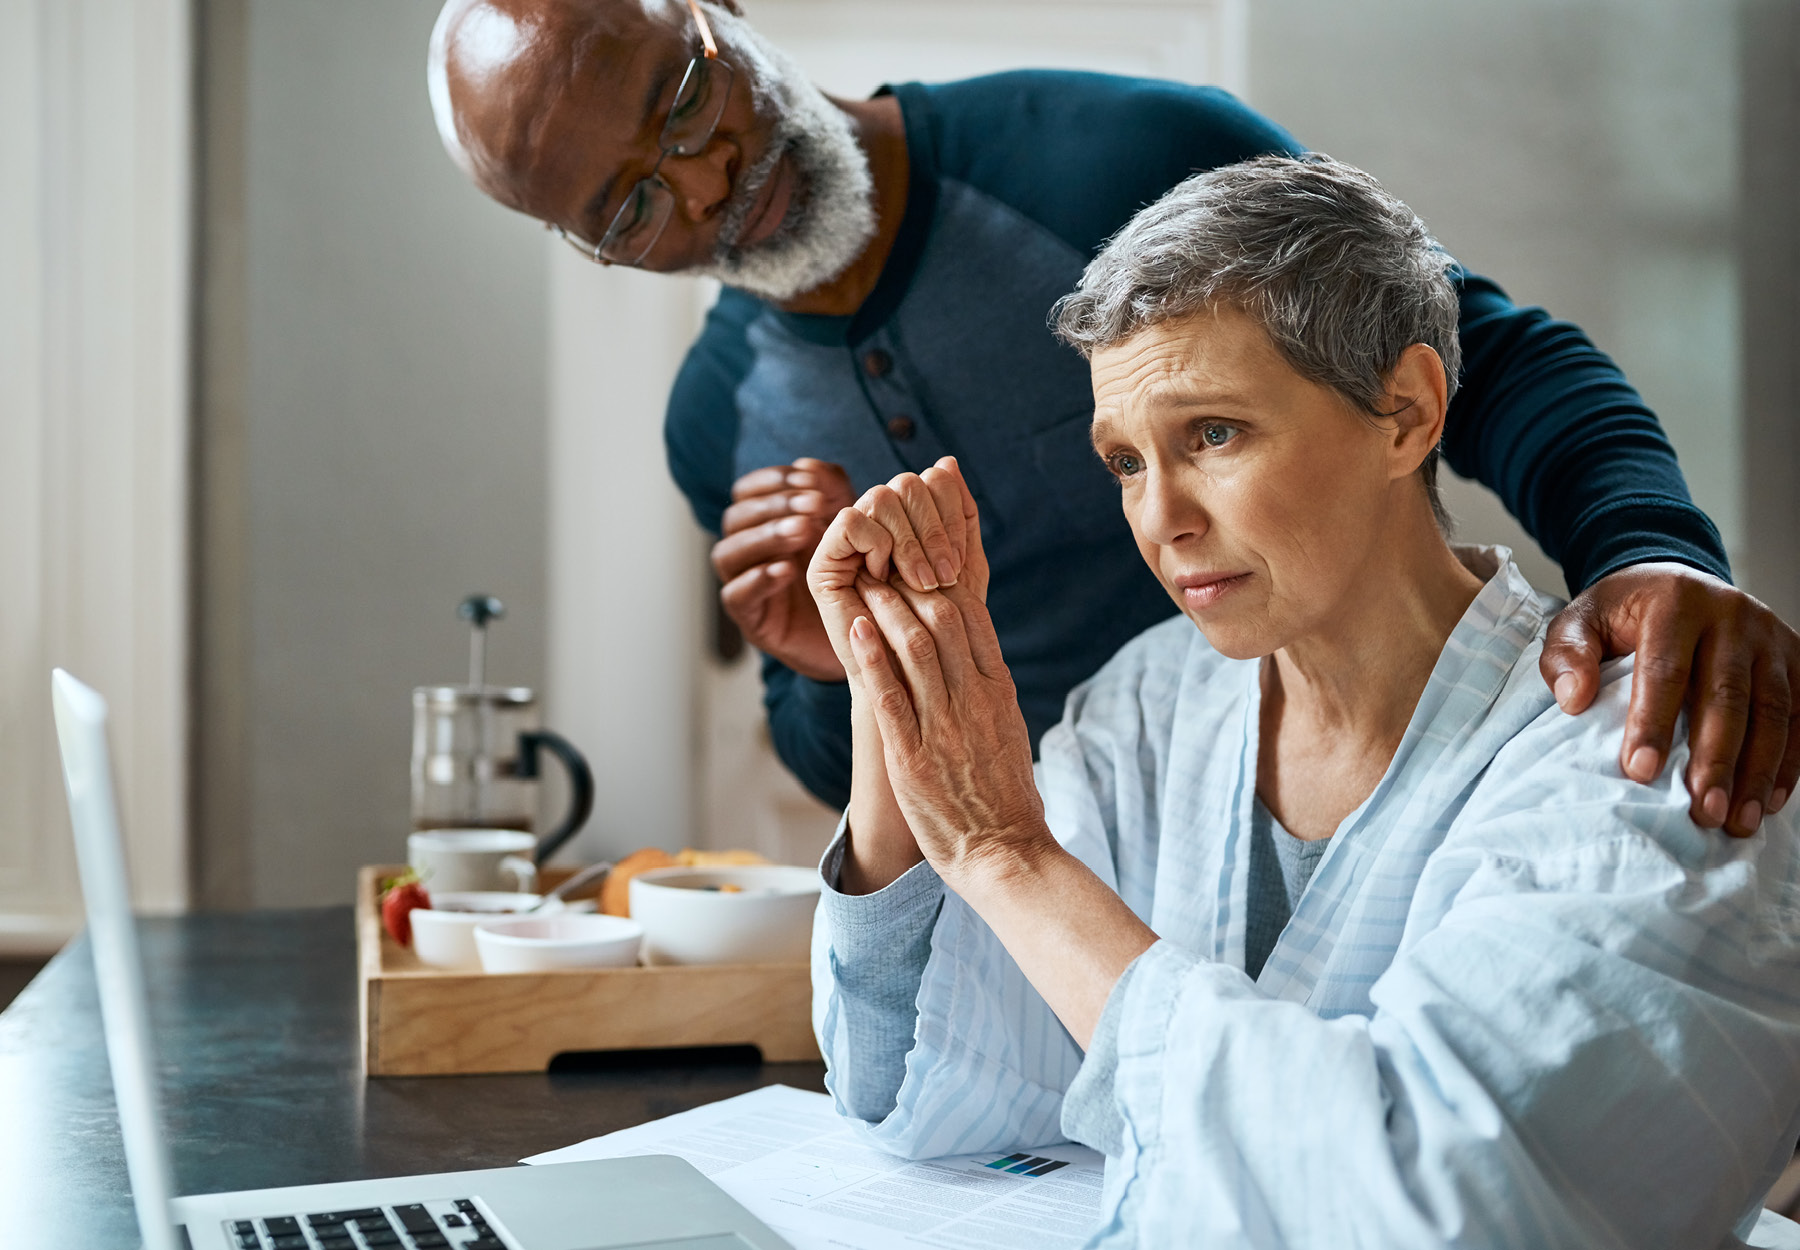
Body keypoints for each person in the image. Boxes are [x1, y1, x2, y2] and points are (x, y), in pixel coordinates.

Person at [426, 0, 1800, 833]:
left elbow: (1477, 354)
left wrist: (1644, 551)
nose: (709, 172)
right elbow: (862, 770)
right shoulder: (712, 417)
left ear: (713, 13)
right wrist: (828, 672)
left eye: (681, 92)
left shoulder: (1116, 154)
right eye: (625, 203)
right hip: (1069, 954)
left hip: (1385, 821)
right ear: (597, 252)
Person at [804, 154, 1800, 1248]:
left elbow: (1439, 1208)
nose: (1161, 518)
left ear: (1407, 412)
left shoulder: (1647, 760)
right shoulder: (1148, 706)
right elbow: (948, 1087)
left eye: (1213, 434)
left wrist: (1004, 848)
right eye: (1126, 461)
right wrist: (889, 684)